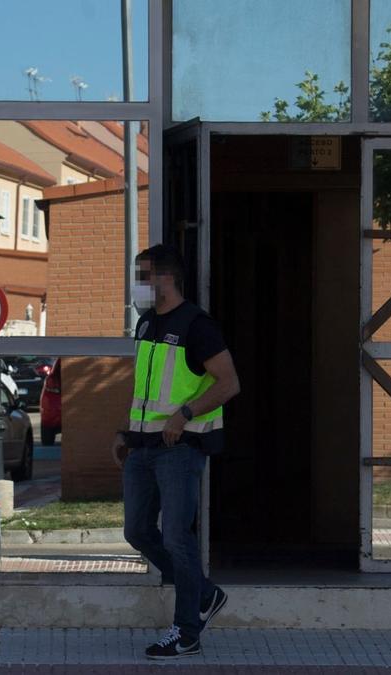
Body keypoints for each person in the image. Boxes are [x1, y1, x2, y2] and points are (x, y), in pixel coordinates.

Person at [112, 244, 240, 660]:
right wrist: (126, 434)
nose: (137, 286)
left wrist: (183, 415)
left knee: (177, 539)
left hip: (179, 449)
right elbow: (145, 391)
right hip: (143, 447)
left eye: (141, 276)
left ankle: (187, 632)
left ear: (164, 279)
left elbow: (228, 383)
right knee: (138, 532)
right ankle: (203, 594)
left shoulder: (196, 325)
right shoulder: (146, 323)